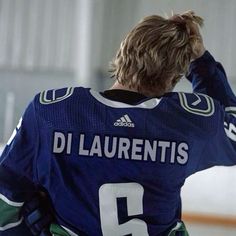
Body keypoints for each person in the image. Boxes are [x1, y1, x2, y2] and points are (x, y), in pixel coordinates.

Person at [0, 10, 236, 236]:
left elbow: (6, 194)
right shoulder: (186, 122)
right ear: (173, 77)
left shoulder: (52, 113)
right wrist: (201, 61)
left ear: (122, 53)